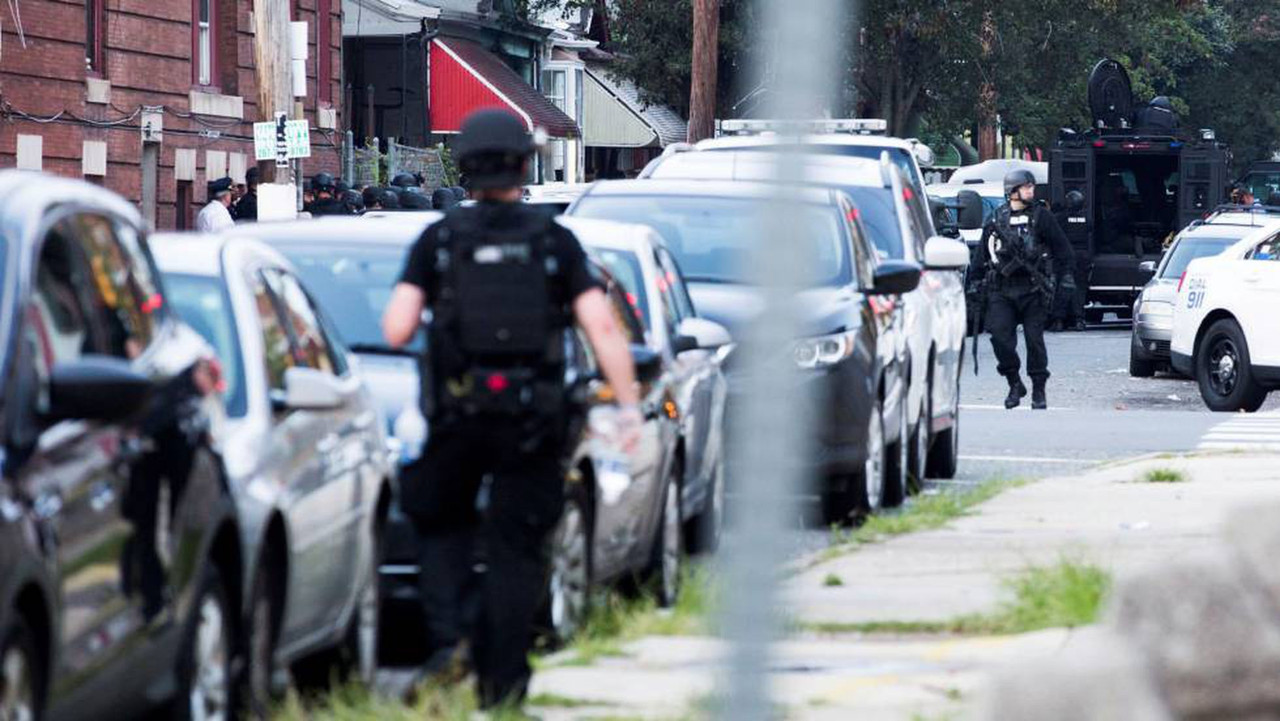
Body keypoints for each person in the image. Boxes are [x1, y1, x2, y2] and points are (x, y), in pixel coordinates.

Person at [381, 108, 642, 711]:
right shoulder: (555, 241)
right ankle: (504, 686)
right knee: (516, 549)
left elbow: (396, 329)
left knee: (439, 523)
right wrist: (627, 409)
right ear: (525, 165)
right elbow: (602, 328)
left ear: (464, 169)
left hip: (456, 417)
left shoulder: (438, 239)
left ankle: (454, 637)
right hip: (534, 420)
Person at [972, 169, 1074, 410]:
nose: (1031, 191)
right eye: (1026, 187)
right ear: (1013, 191)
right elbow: (981, 256)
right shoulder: (996, 219)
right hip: (1002, 289)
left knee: (1034, 341)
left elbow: (1063, 250)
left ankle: (1039, 389)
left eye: (1031, 187)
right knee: (999, 338)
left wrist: (1066, 278)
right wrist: (974, 286)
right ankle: (1014, 383)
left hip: (1033, 289)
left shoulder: (1042, 216)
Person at [1048, 190, 1088, 332]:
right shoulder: (1087, 219)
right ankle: (1079, 320)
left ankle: (1058, 320)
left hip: (1065, 256)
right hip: (1082, 256)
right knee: (1079, 289)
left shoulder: (1060, 218)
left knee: (1062, 288)